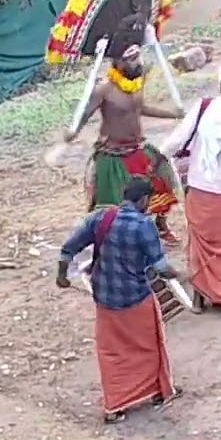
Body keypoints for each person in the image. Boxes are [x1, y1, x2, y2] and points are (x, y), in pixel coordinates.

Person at [57, 177, 181, 423]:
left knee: (112, 352)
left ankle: (115, 406)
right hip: (136, 297)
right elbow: (161, 267)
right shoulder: (144, 225)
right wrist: (179, 274)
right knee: (148, 346)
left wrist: (62, 276)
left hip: (104, 297)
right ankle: (157, 392)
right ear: (144, 200)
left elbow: (69, 248)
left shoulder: (100, 218)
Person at [158, 60, 221, 314]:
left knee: (199, 242)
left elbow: (174, 142)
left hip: (198, 187)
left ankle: (200, 298)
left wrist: (155, 163)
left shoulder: (203, 107)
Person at [66, 41, 184, 245]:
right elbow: (85, 113)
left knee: (163, 181)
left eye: (137, 56)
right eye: (131, 59)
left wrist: (171, 114)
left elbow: (139, 108)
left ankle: (160, 225)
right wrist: (73, 131)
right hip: (112, 155)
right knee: (112, 204)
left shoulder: (137, 82)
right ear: (117, 62)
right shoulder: (103, 89)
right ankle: (109, 239)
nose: (137, 62)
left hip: (138, 148)